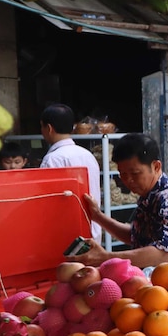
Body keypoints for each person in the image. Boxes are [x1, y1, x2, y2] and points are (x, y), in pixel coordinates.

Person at [77, 132, 168, 268]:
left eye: (135, 174)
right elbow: (137, 236)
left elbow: (164, 254)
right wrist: (98, 216)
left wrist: (105, 257)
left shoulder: (167, 197)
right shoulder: (150, 193)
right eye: (123, 174)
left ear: (156, 167)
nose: (128, 180)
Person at [40, 103, 102, 240]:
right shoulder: (87, 155)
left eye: (42, 126)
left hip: (67, 236)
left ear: (48, 128)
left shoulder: (53, 159)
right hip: (92, 231)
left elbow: (47, 203)